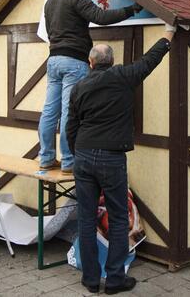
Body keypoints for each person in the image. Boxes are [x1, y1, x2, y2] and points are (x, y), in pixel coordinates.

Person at [67, 25, 176, 294]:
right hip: (111, 158)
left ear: (90, 63)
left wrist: (77, 152)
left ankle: (90, 279)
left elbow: (71, 126)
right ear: (112, 61)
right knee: (117, 218)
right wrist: (169, 32)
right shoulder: (124, 76)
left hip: (83, 156)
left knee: (86, 218)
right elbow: (151, 59)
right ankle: (115, 280)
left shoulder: (79, 87)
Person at [38, 0, 142, 172]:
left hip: (54, 59)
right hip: (73, 60)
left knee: (49, 110)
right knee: (69, 111)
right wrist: (130, 10)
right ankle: (68, 161)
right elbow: (99, 17)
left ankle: (46, 158)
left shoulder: (51, 0)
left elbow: (49, 30)